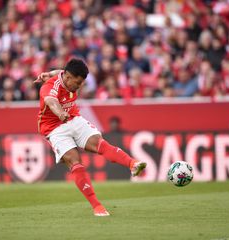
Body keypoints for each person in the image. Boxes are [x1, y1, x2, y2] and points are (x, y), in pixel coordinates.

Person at [35, 58, 146, 217]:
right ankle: (97, 206)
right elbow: (51, 101)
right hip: (54, 128)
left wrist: (48, 73)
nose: (79, 86)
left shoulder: (64, 74)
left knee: (99, 143)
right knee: (74, 161)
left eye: (81, 82)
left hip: (73, 118)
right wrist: (60, 113)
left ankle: (133, 164)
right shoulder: (49, 87)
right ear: (67, 78)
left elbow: (60, 71)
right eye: (78, 82)